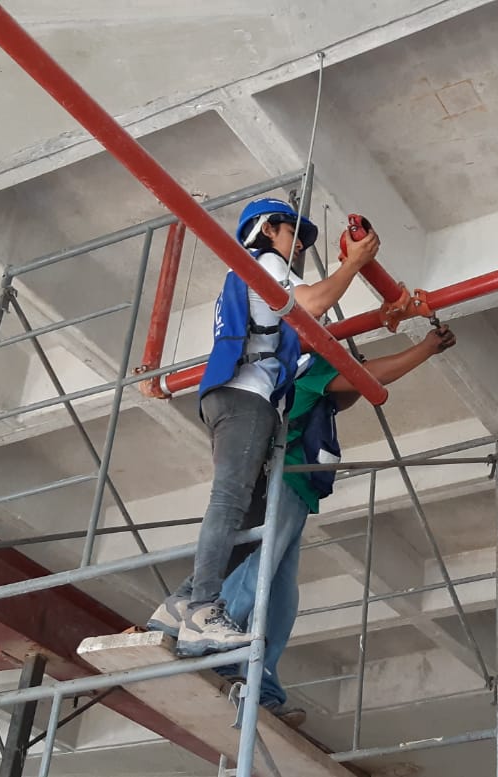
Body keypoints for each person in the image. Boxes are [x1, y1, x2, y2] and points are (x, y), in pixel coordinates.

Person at [147, 198, 381, 657]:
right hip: (246, 397)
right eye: (293, 232)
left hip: (231, 397)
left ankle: (180, 604)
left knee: (248, 513)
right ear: (269, 229)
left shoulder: (249, 271)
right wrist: (353, 265)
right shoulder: (265, 262)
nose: (298, 247)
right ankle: (201, 610)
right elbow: (310, 303)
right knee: (231, 502)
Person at [215, 323, 459, 726]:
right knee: (255, 573)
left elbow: (352, 391)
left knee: (279, 598)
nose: (352, 385)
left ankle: (262, 686)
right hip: (276, 483)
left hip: (295, 491)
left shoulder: (319, 399)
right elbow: (369, 379)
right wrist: (425, 349)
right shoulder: (307, 377)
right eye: (347, 372)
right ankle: (216, 656)